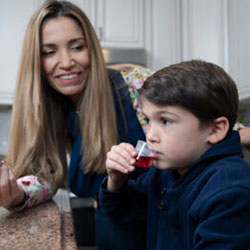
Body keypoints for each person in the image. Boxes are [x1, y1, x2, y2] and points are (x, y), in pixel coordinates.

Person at [0, 1, 151, 249]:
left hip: (161, 225)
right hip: (114, 228)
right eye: (49, 52)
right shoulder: (53, 106)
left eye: (77, 47)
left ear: (91, 47)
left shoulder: (135, 84)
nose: (67, 61)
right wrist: (19, 194)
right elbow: (47, 176)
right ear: (36, 60)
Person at [100, 60, 250, 249]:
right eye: (148, 120)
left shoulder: (231, 192)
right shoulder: (165, 172)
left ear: (215, 130)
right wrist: (116, 180)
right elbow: (120, 211)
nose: (150, 135)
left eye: (166, 121)